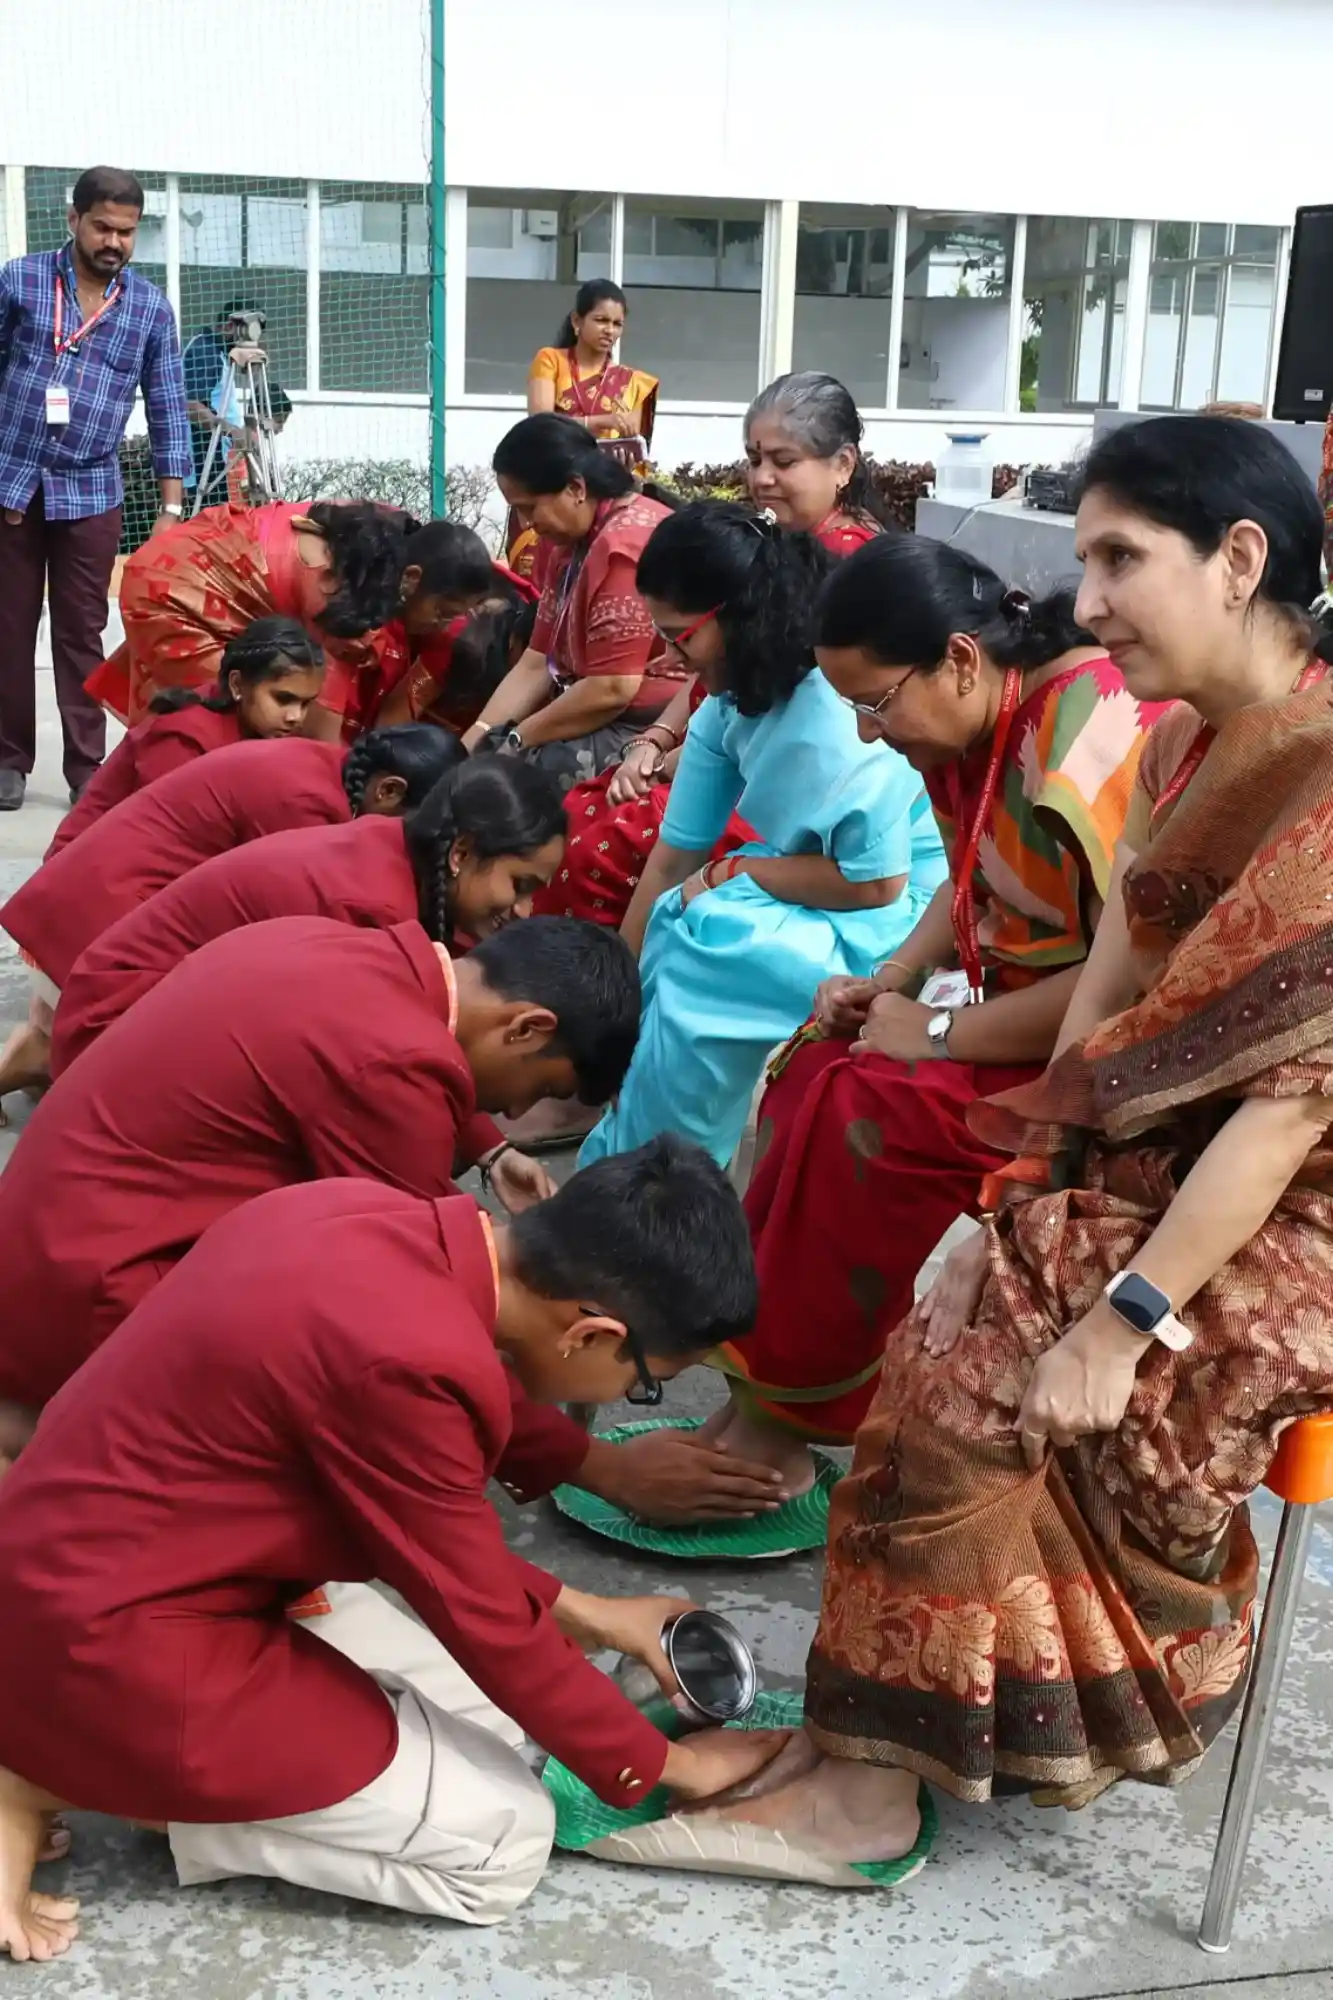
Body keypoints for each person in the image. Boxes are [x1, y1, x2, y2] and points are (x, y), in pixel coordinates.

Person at [706, 413, 1333, 1867]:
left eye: (1122, 557)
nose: (1089, 599)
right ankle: (845, 1741)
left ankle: (884, 1783)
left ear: (1239, 560)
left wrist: (1117, 1321)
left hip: (1293, 1203)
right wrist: (1018, 1187)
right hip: (1171, 1161)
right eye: (1087, 559)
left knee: (982, 1388)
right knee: (944, 1315)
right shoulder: (1184, 738)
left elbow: (1287, 1104)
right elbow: (1111, 974)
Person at [0, 1143, 795, 1959]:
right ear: (590, 1332)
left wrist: (589, 1613)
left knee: (499, 1727)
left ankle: (62, 1745)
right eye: (642, 1383)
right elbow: (476, 1606)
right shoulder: (409, 1360)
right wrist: (671, 1768)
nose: (634, 1399)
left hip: (99, 1565)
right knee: (506, 1842)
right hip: (110, 1644)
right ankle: (61, 1775)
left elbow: (427, 1522)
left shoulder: (349, 1212)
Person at [686, 534, 1169, 1502]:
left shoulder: (1085, 742)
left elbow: (1118, 989)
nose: (868, 733)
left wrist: (937, 1034)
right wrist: (893, 978)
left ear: (957, 657)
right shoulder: (988, 715)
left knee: (867, 1116)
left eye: (875, 702)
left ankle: (797, 1416)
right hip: (1021, 1014)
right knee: (811, 1067)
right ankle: (768, 1389)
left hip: (1107, 1061)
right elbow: (975, 874)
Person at [0, 913, 640, 1441]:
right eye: (543, 1087)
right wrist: (591, 1463)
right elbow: (418, 1278)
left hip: (44, 1237)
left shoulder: (343, 945)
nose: (518, 1113)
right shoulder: (399, 1061)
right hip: (90, 1290)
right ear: (529, 1027)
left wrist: (491, 1156)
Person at [579, 502, 947, 1171]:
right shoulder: (732, 696)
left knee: (708, 953)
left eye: (678, 636)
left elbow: (877, 883)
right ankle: (629, 1152)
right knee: (672, 921)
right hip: (820, 882)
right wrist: (618, 1008)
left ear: (735, 614)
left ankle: (661, 1181)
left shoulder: (828, 715)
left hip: (902, 915)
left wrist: (736, 876)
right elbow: (673, 856)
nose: (667, 657)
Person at [535, 371, 887, 931]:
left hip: (782, 793)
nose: (763, 478)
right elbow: (711, 673)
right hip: (728, 746)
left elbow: (778, 721)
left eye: (784, 461)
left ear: (842, 465)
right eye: (754, 459)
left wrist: (672, 762)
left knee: (605, 846)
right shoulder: (763, 541)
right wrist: (654, 742)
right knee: (587, 805)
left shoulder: (856, 573)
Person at [0, 724, 456, 1115]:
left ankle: (50, 1056)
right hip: (97, 926)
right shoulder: (311, 812)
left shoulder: (325, 770)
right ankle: (43, 1058)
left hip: (85, 910)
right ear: (388, 791)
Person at [50, 756, 567, 1075]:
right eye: (520, 885)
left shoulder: (398, 849)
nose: (522, 910)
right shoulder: (371, 909)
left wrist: (487, 1148)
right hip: (113, 1031)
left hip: (123, 1009)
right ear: (461, 853)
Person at [0, 166, 192, 813]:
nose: (114, 242)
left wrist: (170, 509)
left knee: (82, 633)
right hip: (12, 483)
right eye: (104, 227)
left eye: (127, 232)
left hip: (90, 492)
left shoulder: (147, 308)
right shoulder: (19, 282)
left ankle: (87, 766)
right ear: (74, 218)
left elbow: (167, 406)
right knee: (8, 627)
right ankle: (7, 762)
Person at [84, 502, 494, 732]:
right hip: (174, 594)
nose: (441, 626)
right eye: (442, 612)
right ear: (413, 578)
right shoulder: (340, 594)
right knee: (237, 718)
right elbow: (320, 735)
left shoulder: (379, 538)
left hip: (192, 566)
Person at [466, 415, 686, 794]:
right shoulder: (569, 544)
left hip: (648, 725)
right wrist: (474, 739)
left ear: (576, 488)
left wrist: (517, 740)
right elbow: (537, 661)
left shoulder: (625, 545)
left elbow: (612, 688)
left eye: (529, 507)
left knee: (512, 790)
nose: (525, 523)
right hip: (590, 706)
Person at [48, 615, 326, 857]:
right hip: (92, 876)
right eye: (283, 699)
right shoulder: (184, 739)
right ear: (238, 685)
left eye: (305, 704)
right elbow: (161, 844)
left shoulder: (250, 725)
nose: (296, 717)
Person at [506, 279, 660, 578]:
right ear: (577, 321)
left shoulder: (635, 384)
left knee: (589, 580)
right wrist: (600, 421)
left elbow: (639, 459)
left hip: (597, 500)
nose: (610, 331)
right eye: (601, 320)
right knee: (536, 586)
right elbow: (540, 424)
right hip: (546, 489)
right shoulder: (550, 361)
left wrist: (628, 467)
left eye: (618, 324)